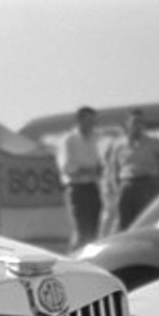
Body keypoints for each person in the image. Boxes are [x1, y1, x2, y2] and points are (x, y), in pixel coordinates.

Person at [107, 109, 159, 230]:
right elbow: (113, 169)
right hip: (126, 186)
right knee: (124, 222)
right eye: (135, 122)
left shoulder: (153, 142)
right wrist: (116, 189)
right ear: (128, 124)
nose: (138, 125)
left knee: (145, 220)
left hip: (147, 185)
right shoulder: (119, 145)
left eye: (141, 122)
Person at [58, 106, 103, 250]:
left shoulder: (95, 139)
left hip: (92, 187)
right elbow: (68, 169)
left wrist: (92, 169)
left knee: (93, 232)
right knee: (81, 232)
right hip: (77, 189)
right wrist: (86, 169)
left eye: (93, 121)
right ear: (79, 121)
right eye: (89, 121)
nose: (92, 124)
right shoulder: (69, 140)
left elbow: (99, 165)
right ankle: (73, 263)